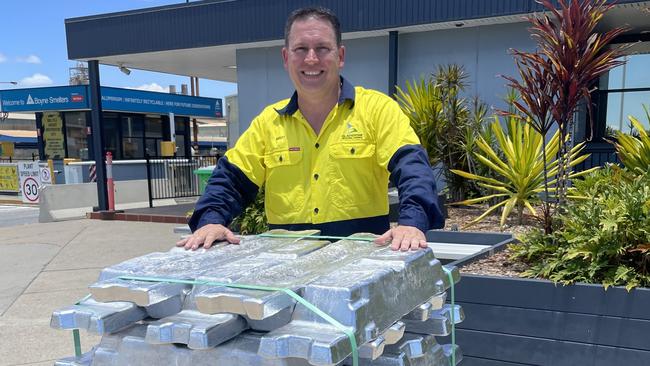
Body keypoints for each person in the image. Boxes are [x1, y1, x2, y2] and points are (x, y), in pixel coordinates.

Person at [178, 6, 444, 252]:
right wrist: (210, 220)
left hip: (361, 267)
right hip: (287, 269)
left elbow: (413, 168)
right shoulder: (267, 123)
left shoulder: (377, 110)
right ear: (286, 57)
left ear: (340, 56)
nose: (311, 59)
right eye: (301, 49)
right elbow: (230, 180)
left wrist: (412, 222)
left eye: (322, 48)